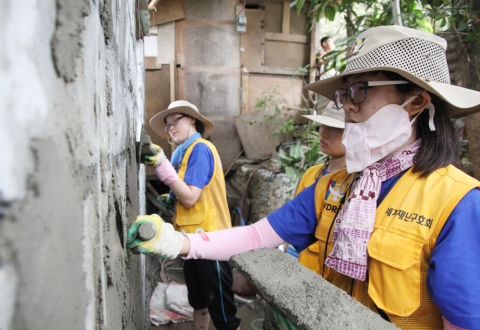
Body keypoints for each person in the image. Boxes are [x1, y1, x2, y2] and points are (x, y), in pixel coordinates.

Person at [128, 26, 480, 329]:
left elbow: (462, 321)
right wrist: (179, 244)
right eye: (344, 94)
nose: (347, 107)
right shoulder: (335, 185)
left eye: (360, 91)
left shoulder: (457, 203)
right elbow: (259, 234)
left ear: (416, 102)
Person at [128, 100, 241, 330]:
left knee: (224, 317)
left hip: (212, 242)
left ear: (192, 119)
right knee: (198, 303)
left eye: (175, 120)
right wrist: (171, 198)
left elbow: (190, 196)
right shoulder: (185, 154)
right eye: (168, 126)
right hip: (192, 242)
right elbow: (187, 196)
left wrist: (161, 164)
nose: (171, 128)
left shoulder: (200, 148)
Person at [295, 101, 345, 273]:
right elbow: (294, 222)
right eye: (323, 126)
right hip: (303, 268)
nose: (323, 133)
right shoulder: (311, 174)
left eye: (336, 128)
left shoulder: (362, 185)